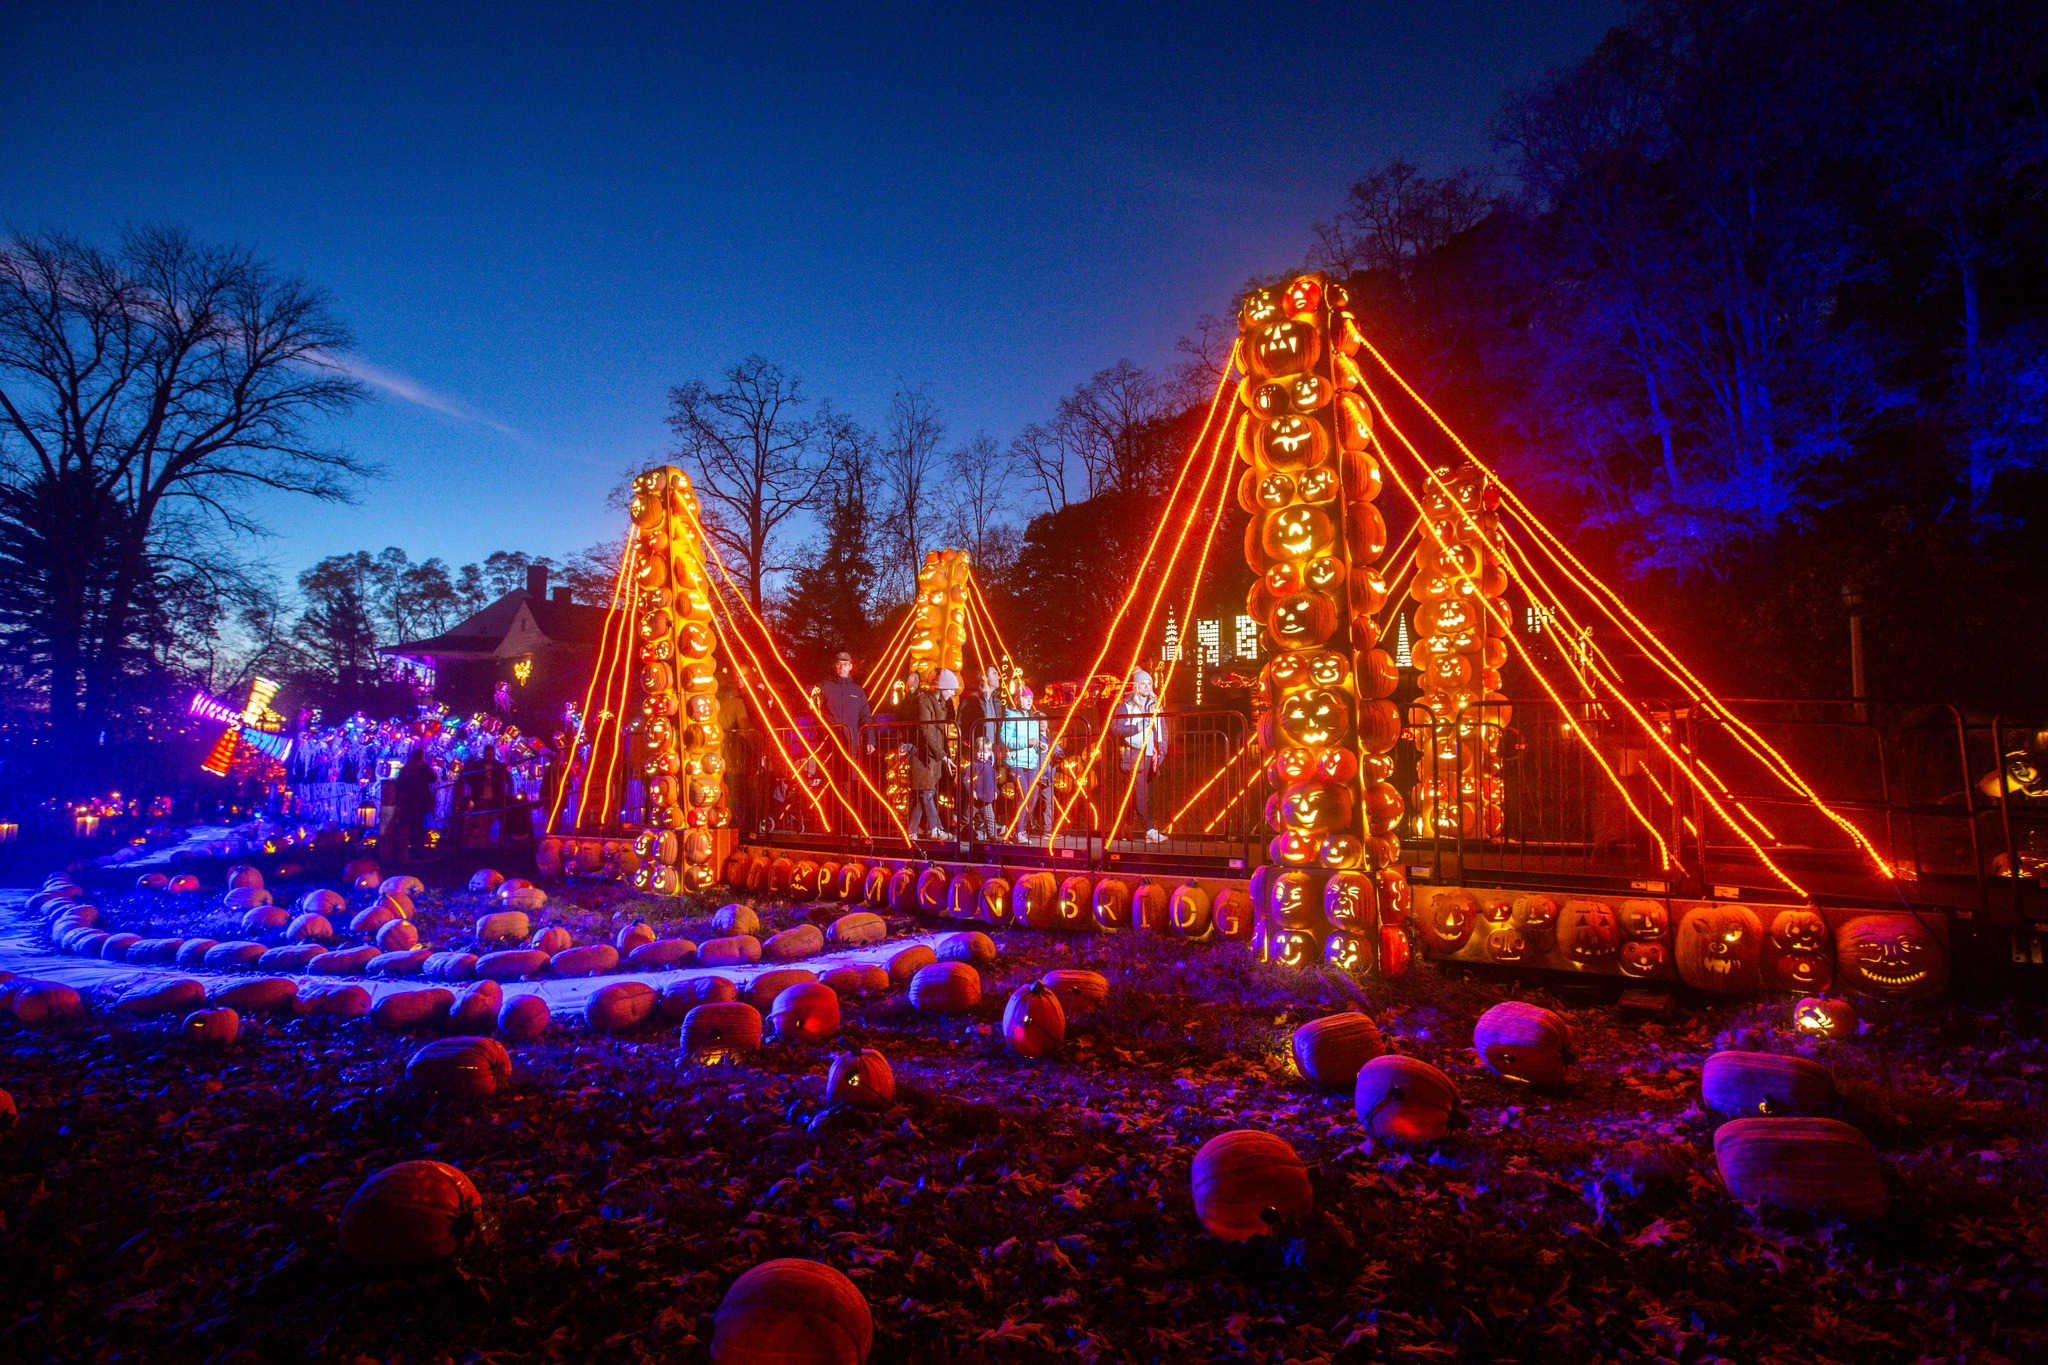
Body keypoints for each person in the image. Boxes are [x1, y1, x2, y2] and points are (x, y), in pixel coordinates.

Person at [1115, 668, 1168, 843]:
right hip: (1133, 755)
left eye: (1149, 683)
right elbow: (1115, 728)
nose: (1147, 686)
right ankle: (1149, 831)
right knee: (1141, 794)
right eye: (1142, 683)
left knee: (1137, 793)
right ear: (1136, 686)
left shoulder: (1156, 705)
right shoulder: (1126, 705)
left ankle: (1124, 829)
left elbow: (1163, 729)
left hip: (1151, 756)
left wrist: (1162, 750)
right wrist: (1136, 727)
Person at [1002, 681, 1057, 838]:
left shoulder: (1032, 720)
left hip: (1031, 763)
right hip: (1017, 762)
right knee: (1023, 795)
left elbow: (1034, 741)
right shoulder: (1011, 717)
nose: (1029, 701)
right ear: (1018, 699)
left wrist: (1040, 746)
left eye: (1031, 698)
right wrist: (1028, 742)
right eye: (1026, 698)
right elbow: (1006, 740)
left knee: (1028, 798)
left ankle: (1017, 830)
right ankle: (1018, 831)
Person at [905, 667, 951, 840]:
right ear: (941, 688)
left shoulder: (940, 705)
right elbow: (925, 730)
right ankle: (935, 828)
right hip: (921, 754)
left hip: (930, 755)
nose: (953, 693)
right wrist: (942, 755)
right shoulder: (924, 702)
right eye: (950, 689)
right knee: (926, 791)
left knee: (922, 793)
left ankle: (911, 831)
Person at [384, 746, 438, 864]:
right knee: (416, 824)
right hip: (417, 800)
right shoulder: (419, 769)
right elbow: (433, 779)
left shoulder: (409, 769)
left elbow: (400, 784)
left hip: (414, 801)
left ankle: (411, 847)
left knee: (413, 824)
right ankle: (414, 847)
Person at [968, 735, 1001, 838]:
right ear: (974, 752)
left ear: (990, 753)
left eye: (985, 752)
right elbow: (966, 780)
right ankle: (963, 832)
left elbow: (993, 781)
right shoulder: (973, 766)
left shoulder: (990, 767)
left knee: (990, 818)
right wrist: (971, 790)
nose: (982, 754)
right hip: (974, 798)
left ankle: (992, 836)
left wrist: (995, 791)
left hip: (986, 799)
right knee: (967, 817)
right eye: (979, 751)